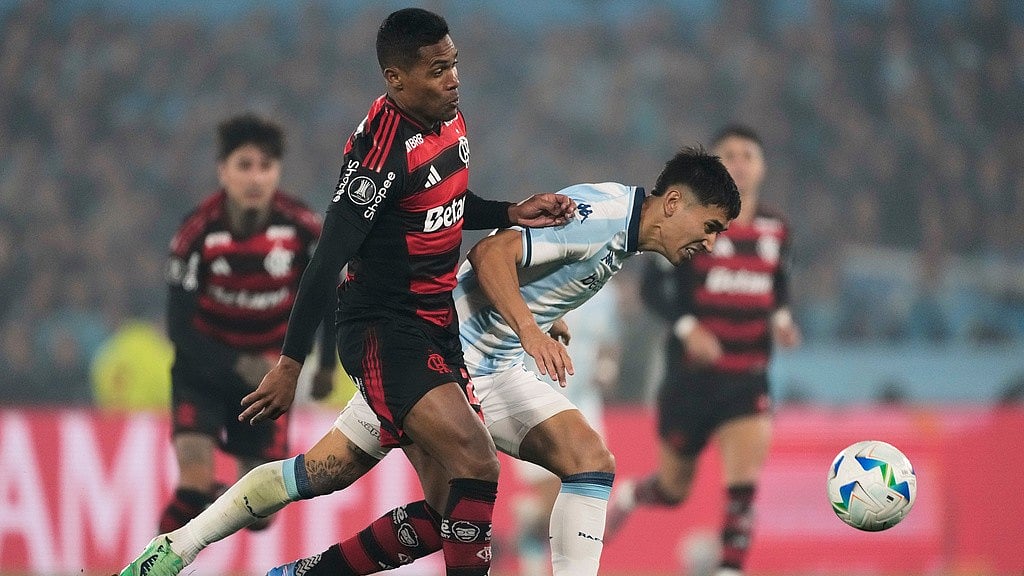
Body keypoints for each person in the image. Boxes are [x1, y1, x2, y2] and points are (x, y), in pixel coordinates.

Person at [116, 146, 739, 576]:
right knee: (357, 481)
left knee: (587, 463)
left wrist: (544, 315)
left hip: (491, 363)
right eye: (709, 225)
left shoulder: (620, 221)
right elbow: (495, 254)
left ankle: (272, 564)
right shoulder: (603, 219)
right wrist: (529, 327)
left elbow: (521, 266)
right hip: (444, 359)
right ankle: (181, 545)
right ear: (674, 200)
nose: (708, 243)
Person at [122, 8, 575, 576]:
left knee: (438, 509)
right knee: (477, 464)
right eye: (438, 71)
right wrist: (290, 363)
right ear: (396, 78)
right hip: (387, 330)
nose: (453, 79)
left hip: (436, 326)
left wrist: (509, 211)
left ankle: (255, 565)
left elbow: (443, 205)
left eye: (454, 64)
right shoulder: (378, 154)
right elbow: (327, 261)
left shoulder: (449, 120)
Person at [604, 125, 802, 576]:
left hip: (747, 376)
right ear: (714, 168)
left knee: (743, 489)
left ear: (762, 166)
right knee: (674, 491)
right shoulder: (692, 226)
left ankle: (729, 569)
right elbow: (653, 288)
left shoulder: (777, 230)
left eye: (748, 154)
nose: (739, 163)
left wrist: (784, 320)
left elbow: (779, 288)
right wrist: (689, 326)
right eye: (728, 154)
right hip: (689, 382)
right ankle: (634, 495)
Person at [158, 113, 336, 534]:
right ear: (223, 170)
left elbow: (328, 298)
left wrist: (328, 365)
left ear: (278, 172)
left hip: (267, 381)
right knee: (193, 482)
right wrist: (239, 364)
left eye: (265, 166)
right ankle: (148, 560)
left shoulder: (302, 228)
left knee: (263, 514)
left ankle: (218, 506)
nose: (255, 178)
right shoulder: (196, 233)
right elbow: (179, 329)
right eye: (244, 165)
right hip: (201, 371)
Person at [512, 279, 621, 576]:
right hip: (533, 399)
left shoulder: (604, 287)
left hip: (585, 401)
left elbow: (610, 341)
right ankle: (535, 550)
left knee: (586, 499)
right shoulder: (528, 279)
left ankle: (535, 530)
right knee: (555, 503)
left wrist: (608, 369)